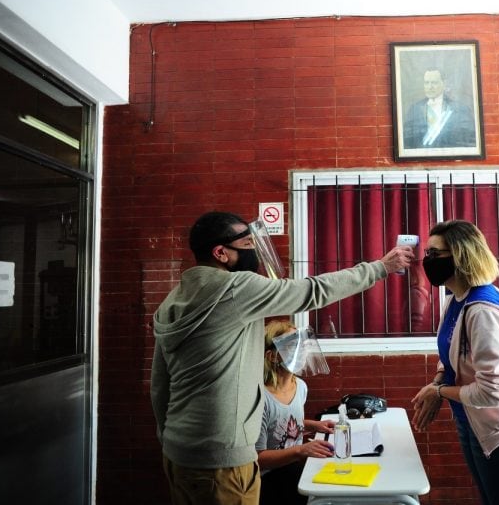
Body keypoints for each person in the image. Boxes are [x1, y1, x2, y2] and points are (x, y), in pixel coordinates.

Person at [150, 211, 414, 505]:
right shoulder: (235, 289)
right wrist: (380, 267)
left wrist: (169, 438)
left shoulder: (172, 301)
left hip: (178, 453)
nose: (254, 252)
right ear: (221, 253)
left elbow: (160, 385)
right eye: (248, 243)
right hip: (222, 460)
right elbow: (312, 291)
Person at [410, 220, 499, 505]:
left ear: (461, 254)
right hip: (470, 418)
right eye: (427, 254)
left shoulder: (482, 311)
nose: (427, 261)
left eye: (435, 254)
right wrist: (438, 381)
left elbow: (493, 391)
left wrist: (438, 393)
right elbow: (452, 356)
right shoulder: (456, 300)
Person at [256, 320, 334, 505]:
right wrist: (300, 450)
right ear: (272, 356)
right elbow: (258, 458)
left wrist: (313, 425)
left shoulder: (300, 387)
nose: (302, 351)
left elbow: (283, 420)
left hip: (294, 465)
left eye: (303, 345)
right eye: (293, 346)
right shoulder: (261, 398)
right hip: (268, 478)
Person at [403, 67, 476, 149]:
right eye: (427, 83)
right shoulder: (414, 109)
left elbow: (468, 140)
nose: (430, 87)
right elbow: (407, 140)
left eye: (434, 83)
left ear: (444, 84)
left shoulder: (460, 109)